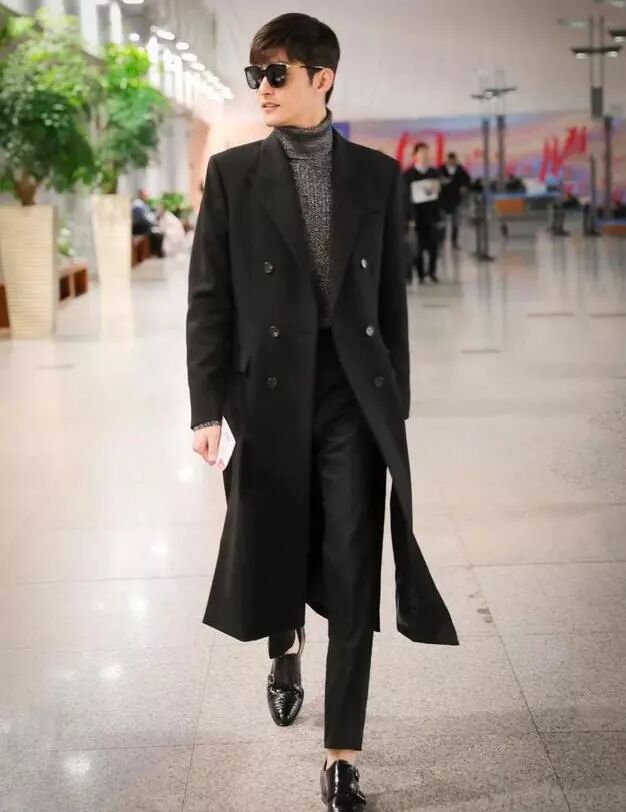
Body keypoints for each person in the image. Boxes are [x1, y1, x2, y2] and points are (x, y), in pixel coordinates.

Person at [186, 13, 458, 810]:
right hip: (266, 396)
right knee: (277, 542)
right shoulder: (233, 175)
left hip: (352, 400)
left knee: (351, 566)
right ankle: (284, 644)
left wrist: (395, 399)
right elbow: (210, 300)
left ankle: (342, 755)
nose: (263, 89)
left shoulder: (377, 175)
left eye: (277, 74)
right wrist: (206, 409)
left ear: (322, 79)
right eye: (256, 75)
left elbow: (390, 300)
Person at [403, 142, 442, 283]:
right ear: (415, 155)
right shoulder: (408, 174)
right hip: (416, 216)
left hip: (432, 215)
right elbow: (404, 197)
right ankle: (420, 274)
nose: (425, 155)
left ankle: (431, 272)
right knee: (417, 247)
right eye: (422, 153)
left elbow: (439, 195)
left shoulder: (434, 173)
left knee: (434, 246)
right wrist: (408, 217)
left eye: (427, 152)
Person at [439, 152, 470, 249]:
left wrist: (464, 187)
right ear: (447, 160)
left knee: (455, 222)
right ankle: (441, 242)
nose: (452, 162)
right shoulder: (441, 170)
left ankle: (454, 242)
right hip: (443, 200)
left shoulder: (460, 170)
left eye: (453, 160)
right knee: (442, 223)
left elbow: (467, 181)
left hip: (456, 200)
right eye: (450, 160)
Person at [131, 188, 164, 258]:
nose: (147, 196)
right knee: (157, 235)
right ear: (141, 195)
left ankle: (154, 253)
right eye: (146, 194)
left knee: (159, 233)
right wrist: (154, 223)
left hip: (144, 227)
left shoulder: (142, 204)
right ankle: (155, 254)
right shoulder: (137, 205)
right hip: (139, 229)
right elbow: (143, 219)